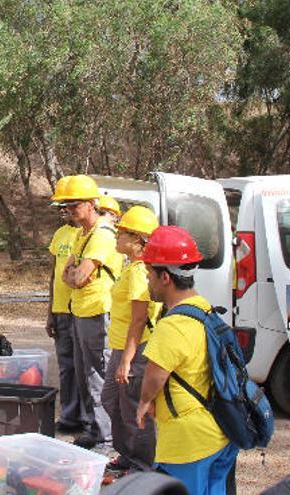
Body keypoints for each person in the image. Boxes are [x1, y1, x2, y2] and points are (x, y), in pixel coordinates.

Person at [136, 226, 237, 495]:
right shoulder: (205, 310)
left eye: (150, 275)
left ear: (165, 277)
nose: (148, 282)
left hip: (188, 442)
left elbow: (155, 375)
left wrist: (145, 402)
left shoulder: (173, 325)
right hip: (221, 430)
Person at [61, 175, 121, 449]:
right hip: (81, 310)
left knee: (98, 373)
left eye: (75, 205)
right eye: (67, 206)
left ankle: (106, 437)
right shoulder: (80, 234)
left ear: (91, 203)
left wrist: (75, 274)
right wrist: (74, 274)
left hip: (97, 310)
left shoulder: (103, 234)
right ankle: (92, 429)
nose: (70, 210)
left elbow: (80, 276)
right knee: (84, 373)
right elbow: (67, 275)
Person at [101, 206, 161, 473]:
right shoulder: (132, 267)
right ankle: (127, 453)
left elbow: (139, 319)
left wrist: (127, 358)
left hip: (134, 349)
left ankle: (142, 464)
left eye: (122, 232)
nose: (116, 235)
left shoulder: (140, 272)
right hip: (121, 347)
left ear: (137, 240)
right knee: (111, 400)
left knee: (133, 408)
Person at [45, 176, 86, 433]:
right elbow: (53, 274)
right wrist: (49, 311)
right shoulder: (60, 234)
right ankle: (69, 417)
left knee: (84, 368)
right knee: (66, 367)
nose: (64, 211)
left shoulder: (86, 234)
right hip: (60, 310)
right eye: (61, 207)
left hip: (80, 310)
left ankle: (87, 418)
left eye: (68, 205)